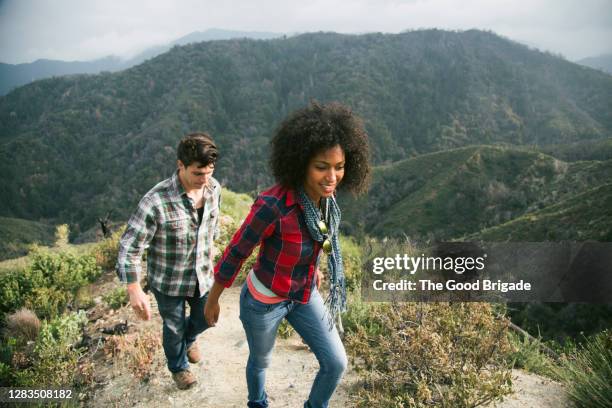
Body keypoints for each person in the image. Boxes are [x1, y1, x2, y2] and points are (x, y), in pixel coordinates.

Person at [204, 102, 371, 408]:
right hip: (265, 301)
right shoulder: (273, 205)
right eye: (322, 166)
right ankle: (258, 403)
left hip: (304, 294)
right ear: (301, 163)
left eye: (340, 166)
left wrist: (315, 268)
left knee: (336, 363)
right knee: (260, 361)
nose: (332, 176)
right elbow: (237, 251)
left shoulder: (326, 203)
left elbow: (317, 240)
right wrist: (213, 299)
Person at [116, 132, 221, 390]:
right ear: (180, 165)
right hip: (168, 280)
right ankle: (179, 367)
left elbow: (213, 227)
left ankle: (190, 339)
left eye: (209, 172)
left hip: (203, 275)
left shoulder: (214, 188)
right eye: (198, 173)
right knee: (173, 328)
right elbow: (130, 246)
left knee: (207, 319)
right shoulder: (156, 200)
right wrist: (133, 287)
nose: (204, 179)